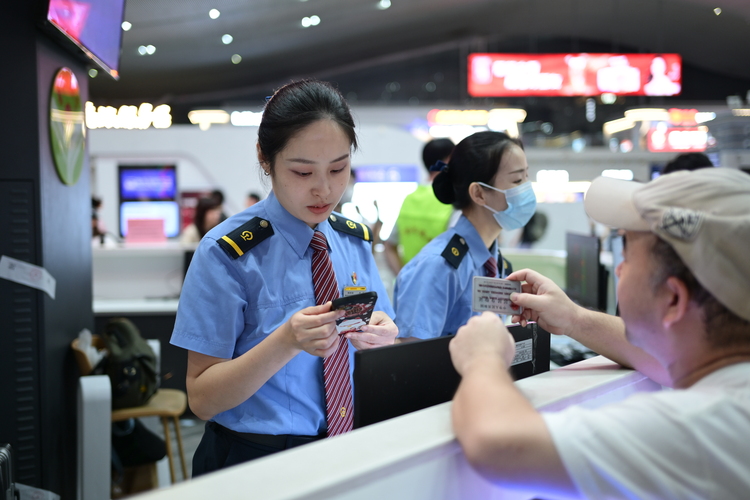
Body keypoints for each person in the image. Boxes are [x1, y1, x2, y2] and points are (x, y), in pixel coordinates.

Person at [449, 168, 750, 499]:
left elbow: (500, 444)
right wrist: (573, 319)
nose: (619, 267)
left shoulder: (703, 428)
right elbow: (661, 362)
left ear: (674, 299)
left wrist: (483, 357)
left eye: (628, 249)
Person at [170, 80, 398, 476]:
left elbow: (384, 334)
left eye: (339, 168)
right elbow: (202, 398)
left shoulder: (352, 241)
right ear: (265, 158)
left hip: (350, 449)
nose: (324, 189)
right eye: (303, 171)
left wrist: (383, 336)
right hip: (255, 461)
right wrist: (285, 341)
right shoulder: (226, 253)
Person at [393, 131, 535, 340]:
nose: (526, 189)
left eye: (526, 177)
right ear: (479, 193)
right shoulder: (438, 266)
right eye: (516, 180)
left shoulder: (497, 263)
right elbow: (414, 360)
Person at [384, 138, 455, 275]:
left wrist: (402, 277)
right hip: (441, 289)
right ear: (447, 161)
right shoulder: (451, 200)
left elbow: (389, 246)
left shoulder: (409, 199)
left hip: (410, 289)